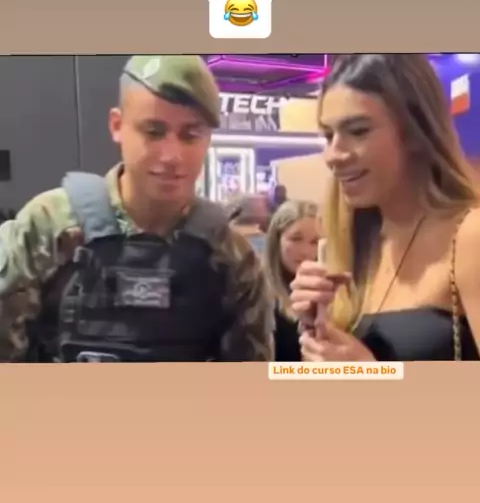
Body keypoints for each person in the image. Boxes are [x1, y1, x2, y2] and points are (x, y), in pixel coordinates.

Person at [0, 54, 274, 362]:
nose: (171, 155)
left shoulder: (229, 255)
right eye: (153, 132)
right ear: (117, 126)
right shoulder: (48, 227)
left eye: (190, 135)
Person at [289, 53, 480, 361]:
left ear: (416, 132)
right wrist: (317, 327)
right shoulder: (353, 243)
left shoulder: (469, 236)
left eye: (358, 131)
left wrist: (373, 375)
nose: (333, 155)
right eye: (328, 135)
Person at [263, 200, 320, 361]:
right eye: (296, 239)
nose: (305, 251)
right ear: (277, 240)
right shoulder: (257, 293)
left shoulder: (329, 292)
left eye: (315, 242)